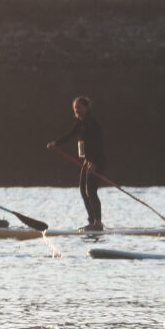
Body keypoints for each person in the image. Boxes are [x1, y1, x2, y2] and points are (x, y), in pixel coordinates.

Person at [47, 96, 108, 231]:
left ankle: (98, 223)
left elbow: (98, 146)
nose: (77, 110)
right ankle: (92, 221)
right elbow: (68, 136)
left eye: (79, 107)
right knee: (83, 190)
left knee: (91, 190)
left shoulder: (92, 124)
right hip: (87, 162)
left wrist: (94, 163)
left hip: (97, 161)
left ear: (86, 108)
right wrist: (55, 144)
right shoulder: (79, 124)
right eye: (75, 108)